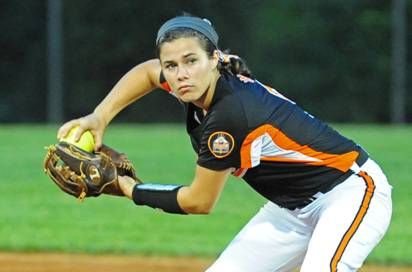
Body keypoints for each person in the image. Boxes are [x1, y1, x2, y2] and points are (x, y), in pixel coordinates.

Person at [57, 15, 393, 271]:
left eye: (191, 61)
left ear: (215, 58)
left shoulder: (230, 115)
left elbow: (199, 201)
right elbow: (147, 72)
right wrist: (99, 117)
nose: (180, 74)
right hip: (293, 209)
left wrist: (128, 188)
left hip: (350, 193)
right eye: (172, 65)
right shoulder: (199, 83)